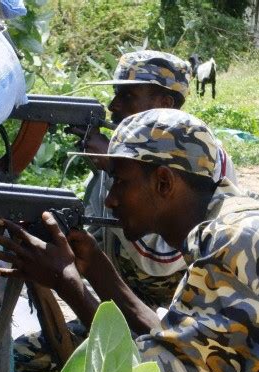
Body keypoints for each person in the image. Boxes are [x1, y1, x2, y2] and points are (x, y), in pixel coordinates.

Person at [0, 109, 259, 372]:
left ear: (163, 182)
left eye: (120, 182)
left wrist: (71, 287)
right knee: (45, 357)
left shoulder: (236, 240)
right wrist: (97, 271)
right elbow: (172, 343)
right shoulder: (230, 222)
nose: (111, 199)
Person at [74, 50, 237, 309]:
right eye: (116, 93)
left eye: (128, 96)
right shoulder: (127, 155)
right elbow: (99, 228)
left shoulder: (202, 158)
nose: (113, 105)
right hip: (127, 305)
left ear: (165, 104)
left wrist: (110, 164)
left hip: (170, 313)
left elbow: (161, 260)